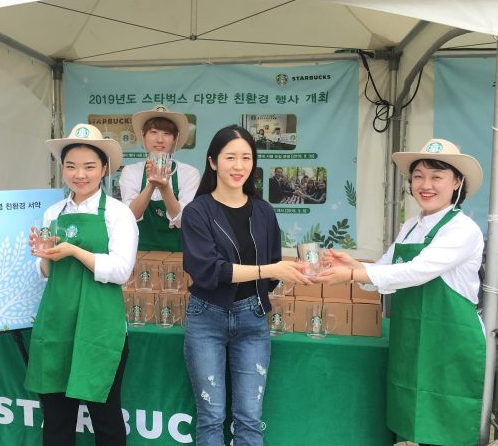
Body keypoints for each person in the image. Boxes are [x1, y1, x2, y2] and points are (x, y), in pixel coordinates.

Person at [316, 138, 485, 446]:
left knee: (447, 429)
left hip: (450, 345)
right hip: (412, 342)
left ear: (457, 182)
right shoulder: (411, 225)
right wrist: (354, 266)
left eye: (437, 176)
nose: (425, 185)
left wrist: (353, 274)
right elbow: (384, 273)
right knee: (413, 425)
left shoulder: (462, 229)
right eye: (418, 176)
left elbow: (416, 271)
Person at [181, 125, 310, 445]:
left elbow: (272, 270)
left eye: (246, 157)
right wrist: (269, 269)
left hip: (253, 318)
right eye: (230, 157)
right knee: (211, 417)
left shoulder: (263, 211)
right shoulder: (196, 212)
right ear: (213, 162)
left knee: (250, 419)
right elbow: (209, 271)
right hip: (206, 318)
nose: (238, 166)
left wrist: (288, 270)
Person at [26, 123, 139, 446]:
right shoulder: (53, 213)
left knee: (105, 418)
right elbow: (46, 273)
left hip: (99, 327)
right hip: (57, 323)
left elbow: (121, 270)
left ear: (104, 169)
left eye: (89, 166)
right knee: (56, 421)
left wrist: (74, 251)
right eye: (71, 166)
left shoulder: (118, 214)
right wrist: (44, 256)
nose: (79, 174)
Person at [119, 105, 199, 251]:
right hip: (139, 253)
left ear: (175, 138)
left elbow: (183, 220)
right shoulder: (130, 172)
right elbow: (130, 217)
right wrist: (152, 183)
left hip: (178, 254)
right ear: (143, 135)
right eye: (153, 132)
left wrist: (165, 187)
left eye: (167, 134)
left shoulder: (189, 173)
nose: (160, 139)